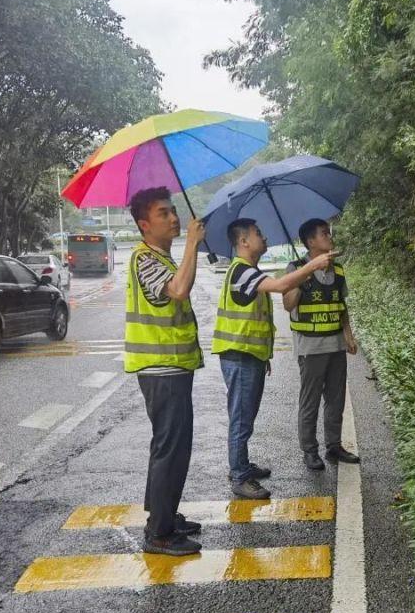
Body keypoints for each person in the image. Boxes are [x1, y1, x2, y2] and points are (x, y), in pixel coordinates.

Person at [213, 218, 338, 499]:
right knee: (241, 418)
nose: (264, 237)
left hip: (251, 354)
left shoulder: (250, 271)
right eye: (258, 233)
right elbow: (282, 286)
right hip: (239, 355)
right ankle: (239, 475)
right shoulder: (241, 271)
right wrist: (311, 266)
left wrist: (263, 355)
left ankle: (242, 464)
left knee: (246, 416)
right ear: (243, 241)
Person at [124, 186, 205, 556]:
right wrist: (191, 243)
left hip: (173, 367)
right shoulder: (145, 259)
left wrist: (188, 249)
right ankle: (159, 533)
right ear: (144, 224)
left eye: (173, 211)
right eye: (163, 214)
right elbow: (178, 291)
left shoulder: (162, 257)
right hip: (161, 369)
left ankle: (164, 514)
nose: (173, 218)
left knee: (173, 447)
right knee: (169, 448)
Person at [283, 218, 361, 471]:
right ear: (311, 242)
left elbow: (341, 304)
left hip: (336, 345)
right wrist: (303, 276)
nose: (329, 237)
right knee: (311, 401)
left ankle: (334, 447)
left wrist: (348, 335)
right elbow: (288, 304)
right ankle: (309, 450)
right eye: (324, 234)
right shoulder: (295, 268)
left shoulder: (337, 270)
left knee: (336, 399)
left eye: (328, 232)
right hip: (311, 348)